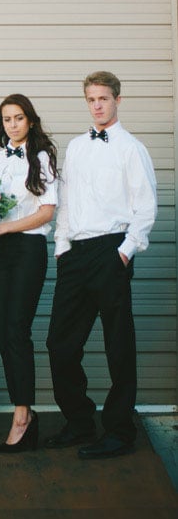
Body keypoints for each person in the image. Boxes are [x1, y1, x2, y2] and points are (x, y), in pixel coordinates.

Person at [46, 71, 157, 459]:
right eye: (91, 99)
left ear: (117, 100)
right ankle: (79, 421)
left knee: (118, 346)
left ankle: (119, 431)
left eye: (104, 98)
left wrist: (124, 252)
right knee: (60, 343)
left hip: (111, 251)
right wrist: (61, 246)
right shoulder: (76, 147)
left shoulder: (131, 148)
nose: (97, 105)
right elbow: (66, 201)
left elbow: (145, 209)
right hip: (76, 254)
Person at [0, 94, 58, 453]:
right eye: (7, 119)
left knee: (17, 330)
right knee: (2, 330)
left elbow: (47, 212)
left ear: (30, 121)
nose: (13, 124)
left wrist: (4, 229)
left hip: (27, 249)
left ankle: (22, 415)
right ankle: (22, 410)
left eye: (19, 118)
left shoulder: (42, 158)